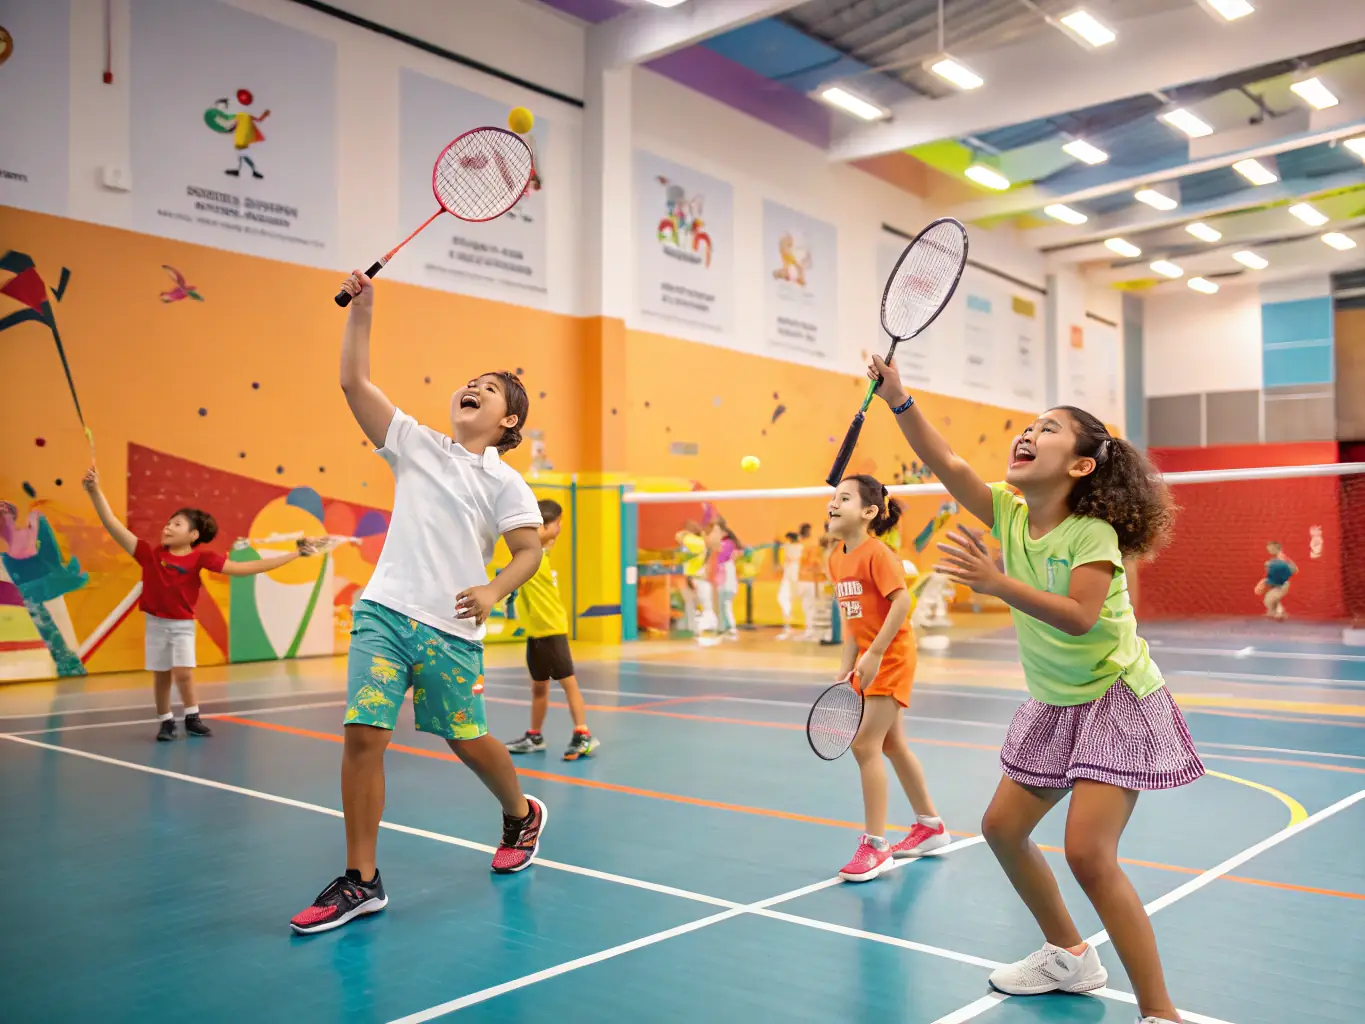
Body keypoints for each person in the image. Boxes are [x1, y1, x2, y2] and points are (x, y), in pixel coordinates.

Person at [871, 354, 1199, 1024]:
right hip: (1056, 703)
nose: (1028, 433)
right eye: (1028, 425)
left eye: (1047, 429)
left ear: (1080, 466)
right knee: (1000, 829)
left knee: (1086, 853)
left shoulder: (1092, 534)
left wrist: (996, 585)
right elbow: (950, 464)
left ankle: (1159, 1013)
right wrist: (899, 400)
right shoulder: (1010, 514)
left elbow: (1080, 618)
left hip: (1115, 698)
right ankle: (1067, 954)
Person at [290, 270, 548, 936]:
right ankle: (361, 881)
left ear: (508, 420)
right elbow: (354, 382)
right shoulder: (415, 444)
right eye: (471, 384)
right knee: (363, 733)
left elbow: (528, 552)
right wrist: (363, 310)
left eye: (489, 391)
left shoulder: (507, 482)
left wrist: (493, 589)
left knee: (466, 738)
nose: (473, 390)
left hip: (450, 628)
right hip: (384, 611)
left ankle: (521, 812)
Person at [81, 467, 315, 741]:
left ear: (193, 535)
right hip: (156, 623)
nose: (168, 527)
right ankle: (166, 721)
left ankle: (192, 717)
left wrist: (294, 554)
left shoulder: (201, 559)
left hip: (182, 626)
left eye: (177, 524)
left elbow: (248, 567)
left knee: (183, 673)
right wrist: (95, 491)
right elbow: (112, 525)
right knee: (162, 675)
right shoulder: (148, 554)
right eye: (168, 523)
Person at [827, 474, 951, 882]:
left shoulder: (877, 554)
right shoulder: (837, 558)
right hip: (869, 658)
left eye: (844, 498)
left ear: (868, 511)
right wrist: (847, 665)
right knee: (893, 744)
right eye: (833, 498)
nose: (833, 504)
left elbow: (903, 601)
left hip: (893, 656)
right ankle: (930, 826)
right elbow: (852, 620)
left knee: (865, 746)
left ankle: (876, 847)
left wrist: (876, 652)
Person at [505, 499, 599, 760]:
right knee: (539, 686)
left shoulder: (536, 556)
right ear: (544, 525)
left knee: (568, 683)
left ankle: (583, 734)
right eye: (557, 524)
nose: (559, 529)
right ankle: (534, 735)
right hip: (535, 632)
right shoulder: (532, 555)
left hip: (552, 629)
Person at [712, 519, 742, 641]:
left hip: (727, 582)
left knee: (725, 604)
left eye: (717, 531)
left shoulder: (728, 544)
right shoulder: (724, 544)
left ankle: (731, 628)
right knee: (721, 605)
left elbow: (720, 558)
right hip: (722, 581)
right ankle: (723, 628)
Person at [1256, 542, 1297, 620]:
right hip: (1277, 582)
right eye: (1268, 549)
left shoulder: (1282, 558)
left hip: (1282, 583)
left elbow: (1294, 569)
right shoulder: (1277, 559)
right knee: (1271, 598)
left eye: (1270, 549)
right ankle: (1277, 612)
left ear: (1276, 548)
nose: (1269, 551)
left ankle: (1278, 613)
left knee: (1270, 598)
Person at [796, 522, 823, 640]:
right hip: (810, 580)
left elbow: (814, 563)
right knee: (811, 606)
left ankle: (811, 631)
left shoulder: (801, 545)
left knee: (808, 606)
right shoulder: (812, 545)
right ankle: (811, 630)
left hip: (806, 580)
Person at [777, 531, 802, 639]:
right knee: (784, 598)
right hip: (790, 577)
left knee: (785, 598)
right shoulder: (797, 547)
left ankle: (788, 623)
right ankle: (788, 623)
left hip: (793, 577)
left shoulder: (794, 547)